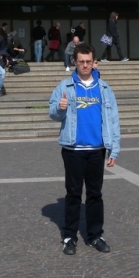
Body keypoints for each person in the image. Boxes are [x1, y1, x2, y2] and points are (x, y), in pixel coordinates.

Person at [49, 43, 121, 256]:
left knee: (95, 194)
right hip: (73, 149)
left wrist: (114, 150)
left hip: (97, 149)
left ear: (94, 62)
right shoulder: (65, 86)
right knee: (72, 194)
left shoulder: (105, 89)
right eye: (81, 61)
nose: (85, 65)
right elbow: (52, 112)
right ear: (75, 62)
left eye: (88, 61)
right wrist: (59, 109)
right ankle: (69, 236)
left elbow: (113, 120)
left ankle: (95, 235)